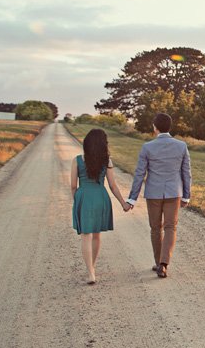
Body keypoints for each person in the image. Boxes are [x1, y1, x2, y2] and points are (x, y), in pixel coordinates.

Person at [126, 112, 192, 278]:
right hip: (173, 193)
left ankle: (159, 263)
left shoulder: (147, 147)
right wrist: (186, 196)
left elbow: (139, 174)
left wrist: (132, 198)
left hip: (153, 193)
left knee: (156, 228)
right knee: (171, 227)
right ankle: (164, 263)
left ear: (154, 128)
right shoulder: (181, 146)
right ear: (170, 127)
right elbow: (186, 173)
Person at [71, 128, 130, 285]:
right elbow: (113, 186)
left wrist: (76, 200)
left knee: (86, 235)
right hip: (100, 197)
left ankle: (90, 272)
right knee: (96, 235)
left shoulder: (77, 160)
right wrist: (123, 203)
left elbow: (72, 186)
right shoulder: (107, 161)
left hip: (84, 196)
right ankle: (93, 267)